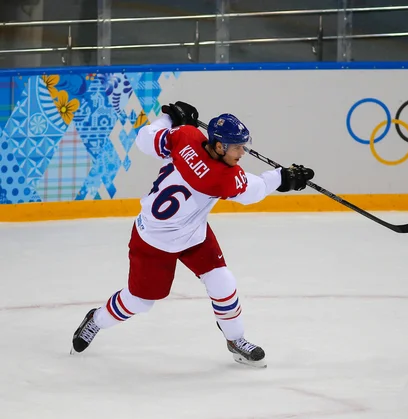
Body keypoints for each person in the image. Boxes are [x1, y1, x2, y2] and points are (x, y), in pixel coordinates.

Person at [70, 101, 314, 368]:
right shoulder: (220, 177)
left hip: (193, 232)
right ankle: (96, 319)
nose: (242, 152)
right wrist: (283, 178)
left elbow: (144, 139)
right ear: (219, 146)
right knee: (140, 302)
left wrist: (168, 119)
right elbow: (255, 190)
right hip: (155, 240)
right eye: (237, 147)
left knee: (223, 280)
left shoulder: (186, 137)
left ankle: (236, 341)